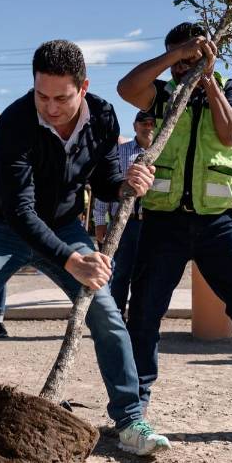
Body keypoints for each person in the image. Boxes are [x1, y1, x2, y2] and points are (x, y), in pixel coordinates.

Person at [0, 39, 169, 463]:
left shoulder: (102, 116)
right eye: (42, 96)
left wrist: (125, 185)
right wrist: (73, 261)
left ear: (83, 88)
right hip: (0, 227)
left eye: (62, 98)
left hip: (63, 225)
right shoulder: (15, 122)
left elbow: (105, 178)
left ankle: (130, 420)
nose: (51, 108)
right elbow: (20, 212)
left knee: (106, 314)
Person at [116, 23, 232, 442]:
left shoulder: (231, 89)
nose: (183, 66)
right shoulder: (161, 94)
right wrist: (174, 56)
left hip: (220, 221)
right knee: (143, 314)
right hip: (164, 220)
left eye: (191, 57)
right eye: (178, 58)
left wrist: (207, 78)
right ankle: (134, 408)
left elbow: (231, 134)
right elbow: (126, 88)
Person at [92, 109, 155, 317]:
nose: (148, 127)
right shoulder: (120, 151)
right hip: (124, 223)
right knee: (120, 274)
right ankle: (116, 319)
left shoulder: (167, 151)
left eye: (151, 123)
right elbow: (105, 185)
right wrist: (100, 222)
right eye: (143, 123)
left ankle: (139, 320)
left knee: (147, 275)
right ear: (135, 126)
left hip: (155, 223)